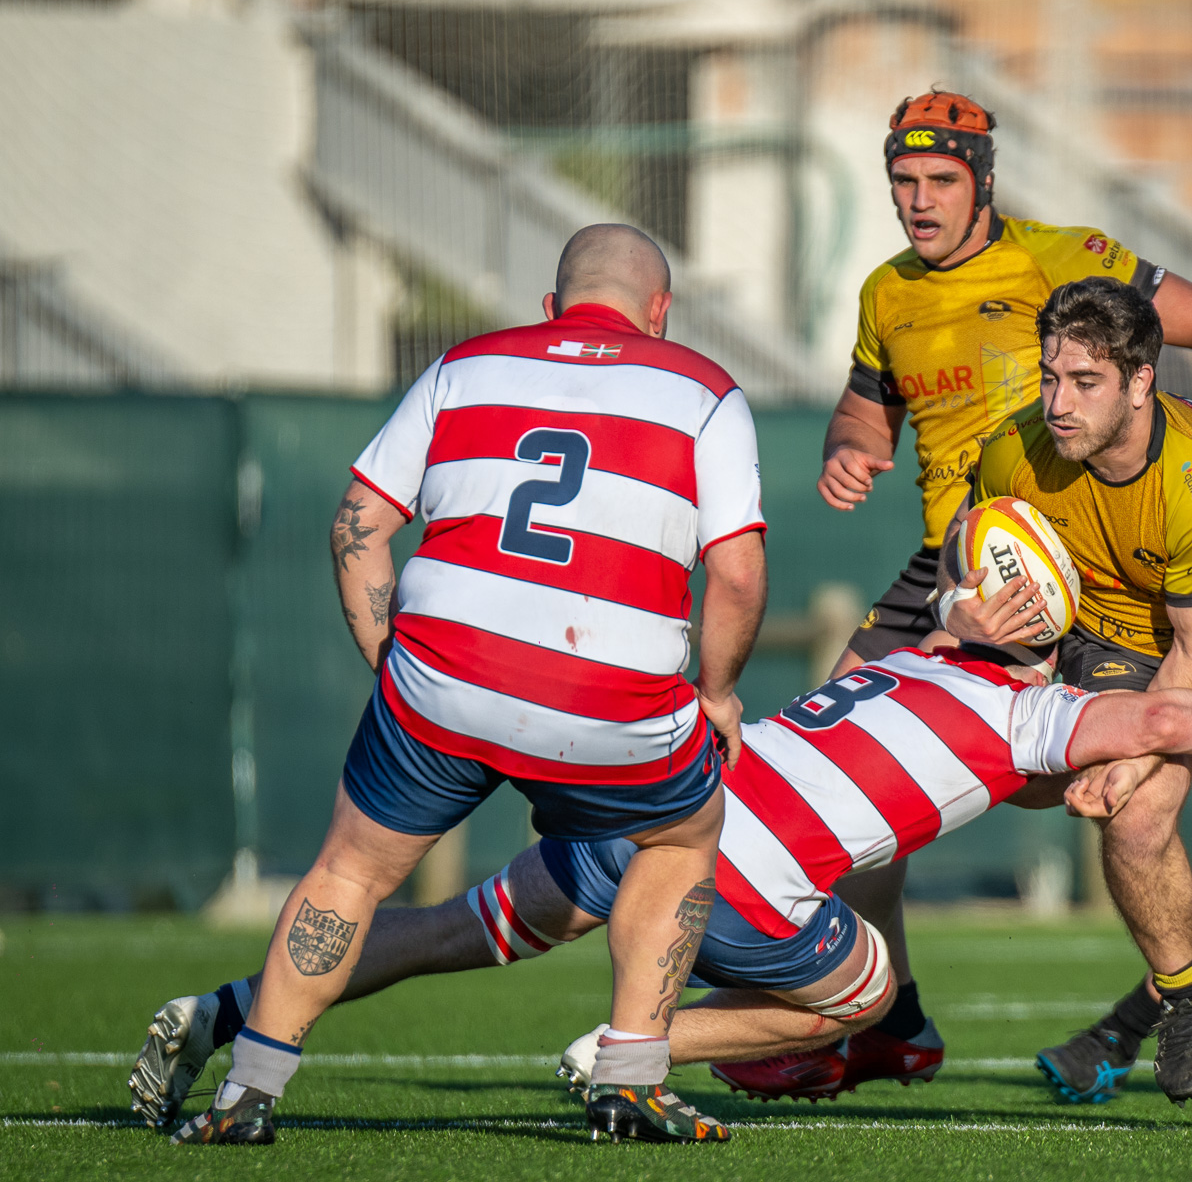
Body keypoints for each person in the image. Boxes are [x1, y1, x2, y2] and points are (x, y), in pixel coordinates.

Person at [129, 640, 1192, 1129]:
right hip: (737, 880)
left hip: (643, 821)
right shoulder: (1039, 707)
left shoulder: (909, 663)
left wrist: (1082, 768)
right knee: (864, 995)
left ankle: (233, 1011)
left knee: (451, 927)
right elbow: (1166, 710)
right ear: (1061, 653)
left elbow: (956, 774)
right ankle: (628, 1050)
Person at [158, 224, 769, 1147]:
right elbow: (736, 575)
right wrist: (717, 694)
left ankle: (248, 1093)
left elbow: (358, 521)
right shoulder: (706, 393)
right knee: (682, 834)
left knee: (351, 870)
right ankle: (632, 1078)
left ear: (552, 307)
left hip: (441, 679)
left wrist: (385, 655)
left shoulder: (462, 367)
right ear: (659, 310)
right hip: (608, 703)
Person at [808, 88, 1192, 1089]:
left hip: (1076, 568)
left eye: (941, 181)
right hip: (953, 564)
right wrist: (851, 453)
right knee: (827, 776)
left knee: (1104, 782)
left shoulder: (1066, 258)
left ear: (984, 181)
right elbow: (865, 413)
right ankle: (889, 1016)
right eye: (903, 181)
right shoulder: (884, 292)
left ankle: (1176, 1006)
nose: (919, 201)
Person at [944, 277, 1192, 1130]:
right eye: (1048, 376)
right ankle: (1186, 997)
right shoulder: (1014, 451)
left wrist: (1138, 751)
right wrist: (954, 610)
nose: (1058, 403)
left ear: (1142, 381)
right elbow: (963, 557)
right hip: (1113, 644)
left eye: (1085, 383)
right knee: (1140, 818)